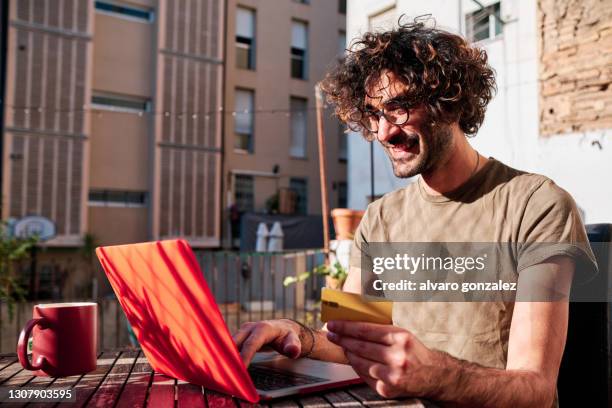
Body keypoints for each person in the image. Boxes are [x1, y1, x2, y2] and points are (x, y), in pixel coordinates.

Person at [233, 19, 597, 407]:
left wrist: (434, 375)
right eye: (373, 115)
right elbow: (347, 340)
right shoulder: (380, 218)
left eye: (400, 108)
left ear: (450, 102)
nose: (384, 132)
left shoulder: (537, 205)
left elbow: (536, 390)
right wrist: (296, 335)